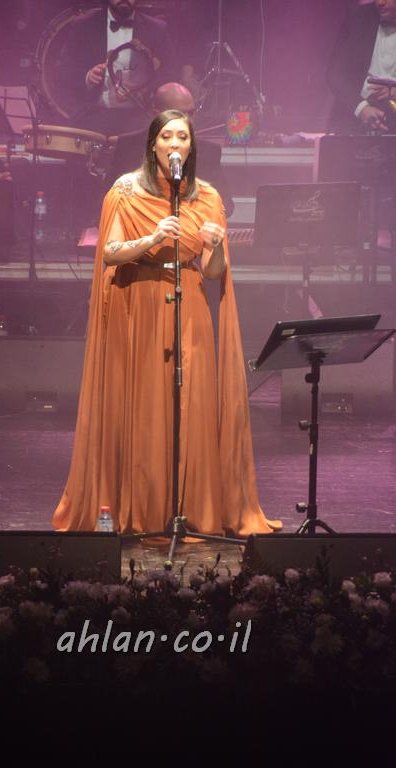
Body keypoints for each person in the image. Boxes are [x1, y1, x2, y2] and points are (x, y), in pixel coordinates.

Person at [52, 109, 281, 537]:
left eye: (182, 137)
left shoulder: (207, 197)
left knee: (188, 402)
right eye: (167, 137)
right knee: (141, 405)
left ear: (191, 147)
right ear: (153, 144)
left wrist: (215, 247)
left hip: (188, 304)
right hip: (135, 302)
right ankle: (139, 509)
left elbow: (213, 272)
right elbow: (110, 252)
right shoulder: (125, 190)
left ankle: (185, 509)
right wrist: (153, 238)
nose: (175, 144)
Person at [106, 81, 234, 217]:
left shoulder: (208, 151)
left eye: (191, 113)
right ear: (157, 115)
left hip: (191, 226)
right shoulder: (128, 146)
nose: (188, 120)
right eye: (179, 114)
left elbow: (225, 205)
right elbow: (108, 202)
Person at [51, 0, 173, 134]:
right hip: (93, 117)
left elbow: (169, 74)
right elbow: (62, 71)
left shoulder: (157, 29)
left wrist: (147, 88)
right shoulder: (83, 25)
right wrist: (88, 77)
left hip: (140, 119)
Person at [328, 0, 396, 134]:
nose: (380, 2)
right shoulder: (358, 18)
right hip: (356, 113)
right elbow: (335, 73)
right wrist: (361, 109)